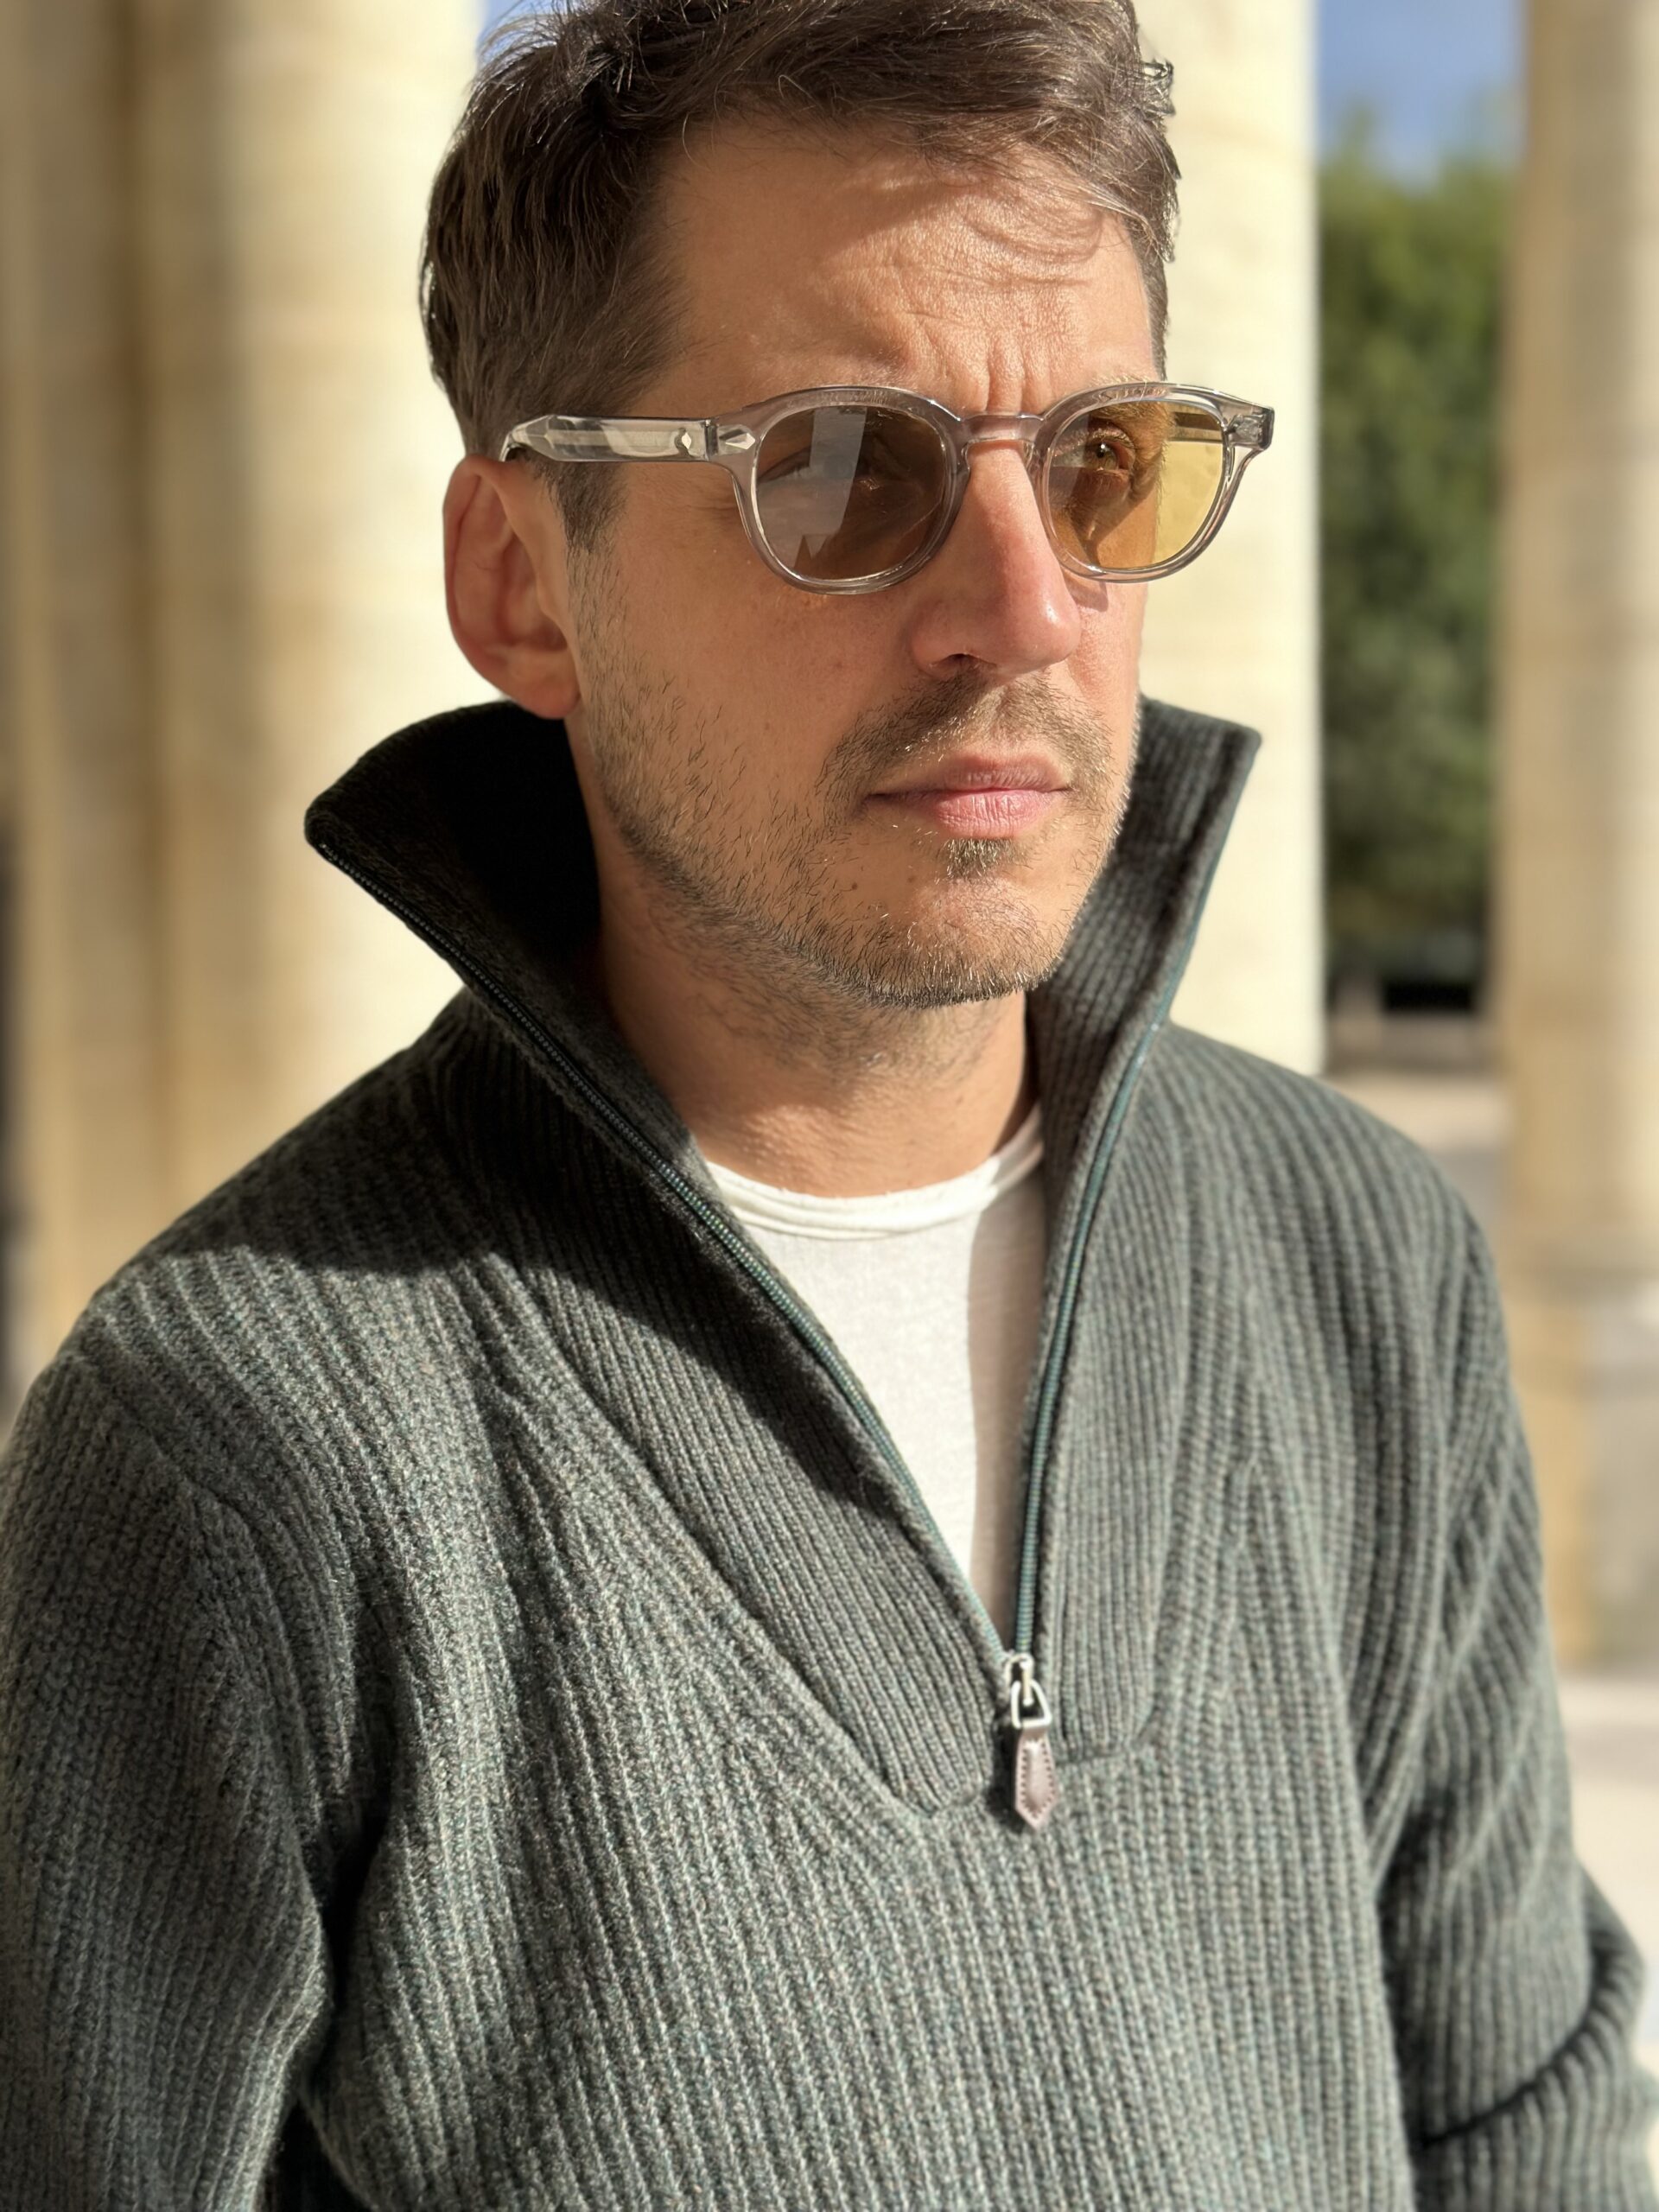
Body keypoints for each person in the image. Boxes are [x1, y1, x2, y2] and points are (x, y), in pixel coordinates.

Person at [2, 0, 1656, 2203]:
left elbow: (1529, 2130)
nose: (1027, 609)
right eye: (842, 468)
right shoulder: (229, 1451)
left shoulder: (1356, 1258)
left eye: (1108, 461)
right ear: (522, 579)